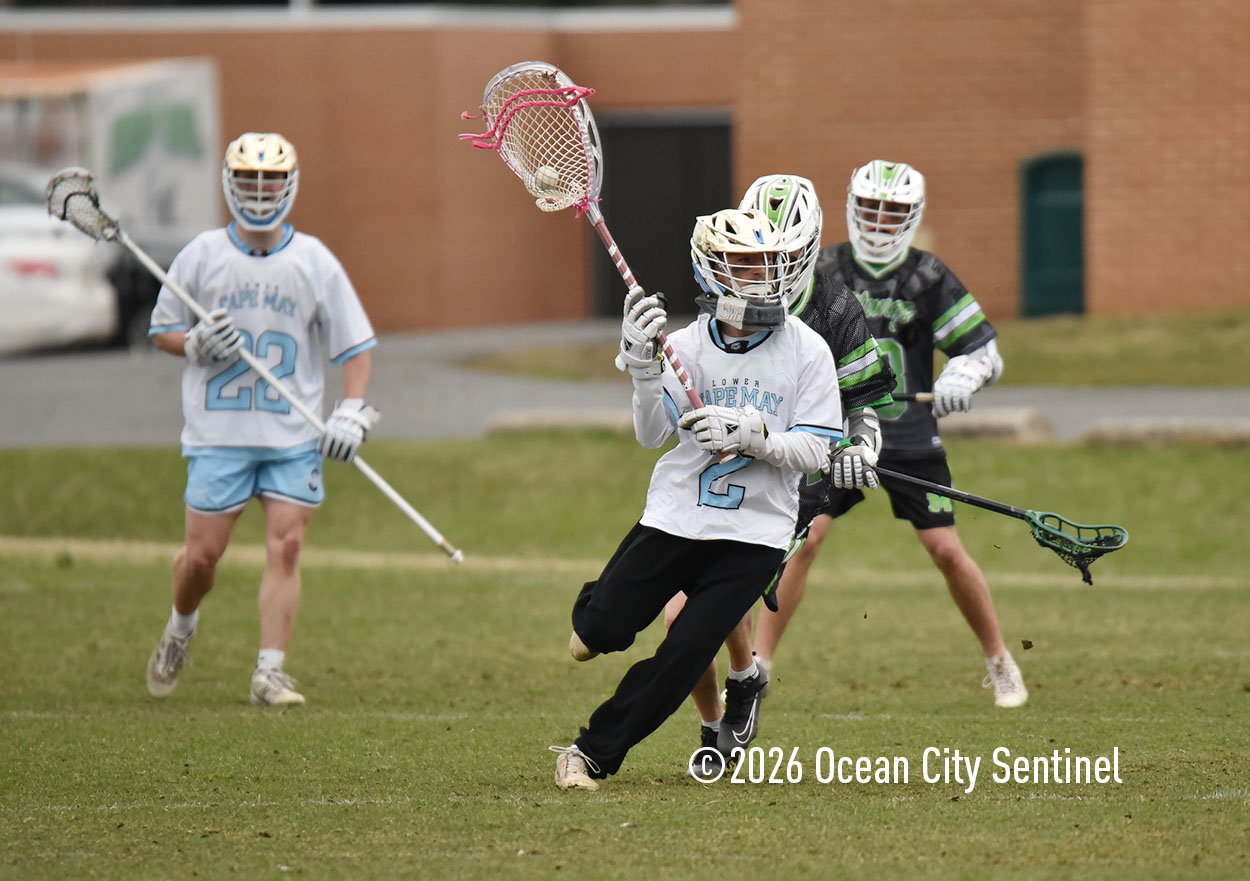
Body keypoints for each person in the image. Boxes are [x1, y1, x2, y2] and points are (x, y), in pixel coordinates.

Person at [551, 208, 845, 790]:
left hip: (755, 533)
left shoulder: (807, 350)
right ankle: (596, 619)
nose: (762, 277)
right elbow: (650, 435)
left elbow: (817, 451)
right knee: (600, 630)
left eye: (768, 264)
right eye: (744, 265)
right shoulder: (683, 345)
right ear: (711, 271)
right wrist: (642, 370)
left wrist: (753, 436)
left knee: (686, 650)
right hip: (678, 515)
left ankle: (589, 754)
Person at [754, 159, 1028, 708]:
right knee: (802, 541)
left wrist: (964, 374)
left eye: (893, 211)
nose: (880, 221)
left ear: (914, 215)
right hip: (834, 435)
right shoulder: (821, 267)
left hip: (908, 433)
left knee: (946, 549)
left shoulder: (926, 274)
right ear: (850, 207)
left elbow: (983, 351)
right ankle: (756, 669)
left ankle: (1001, 660)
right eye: (870, 208)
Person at [663, 175, 896, 765]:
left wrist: (861, 448)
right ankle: (724, 711)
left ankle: (740, 688)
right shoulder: (722, 299)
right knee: (679, 617)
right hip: (714, 476)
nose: (768, 271)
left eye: (787, 256)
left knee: (712, 607)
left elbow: (864, 407)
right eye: (759, 257)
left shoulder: (835, 307)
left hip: (791, 477)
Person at [144, 132, 379, 707]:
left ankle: (269, 672)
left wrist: (351, 409)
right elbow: (162, 331)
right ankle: (180, 628)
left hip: (291, 436)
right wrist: (192, 344)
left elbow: (355, 348)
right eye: (248, 180)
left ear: (288, 186)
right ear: (229, 184)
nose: (258, 191)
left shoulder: (314, 260)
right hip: (218, 435)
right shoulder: (201, 255)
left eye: (270, 181)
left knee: (287, 545)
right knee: (202, 559)